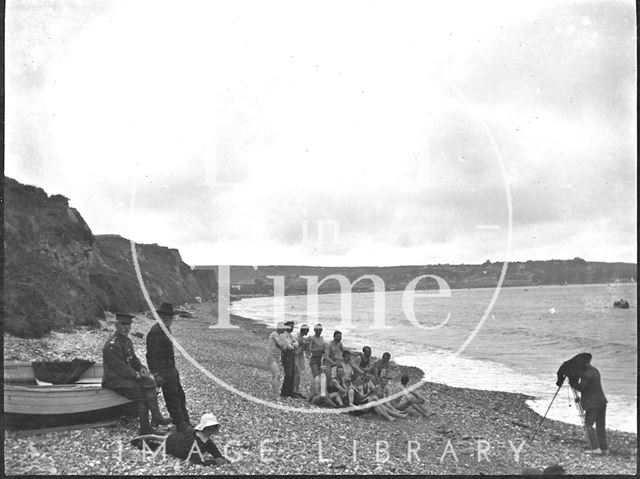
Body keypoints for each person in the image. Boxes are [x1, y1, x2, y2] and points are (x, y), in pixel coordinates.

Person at [102, 313, 172, 435]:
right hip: (114, 380)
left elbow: (133, 360)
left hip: (125, 377)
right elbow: (119, 367)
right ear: (116, 325)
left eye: (128, 325)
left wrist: (141, 368)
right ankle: (145, 428)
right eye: (123, 325)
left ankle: (156, 416)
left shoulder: (127, 341)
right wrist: (135, 374)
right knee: (140, 393)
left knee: (150, 381)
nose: (126, 328)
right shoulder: (112, 345)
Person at [146, 302, 192, 432]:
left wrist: (174, 369)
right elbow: (150, 355)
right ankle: (180, 424)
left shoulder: (165, 329)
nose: (167, 319)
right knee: (172, 398)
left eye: (169, 317)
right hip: (163, 371)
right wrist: (155, 374)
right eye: (164, 316)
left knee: (180, 396)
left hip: (171, 369)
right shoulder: (155, 332)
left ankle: (185, 421)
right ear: (159, 316)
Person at [133, 413, 231, 466]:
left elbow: (213, 449)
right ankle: (142, 442)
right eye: (210, 429)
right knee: (158, 445)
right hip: (176, 446)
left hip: (178, 439)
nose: (212, 431)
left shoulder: (203, 438)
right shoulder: (196, 442)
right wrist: (214, 462)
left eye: (213, 429)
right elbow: (197, 460)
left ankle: (147, 438)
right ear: (204, 428)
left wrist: (219, 457)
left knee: (161, 439)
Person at [569, 354, 608, 455]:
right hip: (602, 401)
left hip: (593, 403)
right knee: (600, 426)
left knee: (588, 426)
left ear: (583, 363)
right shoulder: (594, 370)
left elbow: (582, 388)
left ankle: (595, 449)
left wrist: (573, 383)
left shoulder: (586, 374)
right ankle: (604, 449)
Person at [267, 322, 293, 399]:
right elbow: (281, 345)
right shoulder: (274, 334)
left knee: (276, 376)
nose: (284, 330)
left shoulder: (281, 335)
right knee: (277, 374)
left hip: (277, 357)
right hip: (271, 356)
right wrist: (286, 343)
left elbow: (286, 347)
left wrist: (286, 344)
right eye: (283, 328)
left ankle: (275, 393)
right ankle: (276, 395)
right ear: (279, 328)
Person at [281, 320, 299, 398]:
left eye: (292, 326)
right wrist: (292, 344)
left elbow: (296, 344)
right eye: (290, 326)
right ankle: (285, 391)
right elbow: (289, 346)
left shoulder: (290, 335)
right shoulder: (283, 335)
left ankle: (290, 391)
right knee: (288, 374)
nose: (291, 328)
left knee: (292, 373)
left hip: (291, 355)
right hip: (286, 355)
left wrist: (292, 344)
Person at [293, 323, 310, 398]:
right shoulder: (297, 337)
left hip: (298, 357)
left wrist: (306, 347)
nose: (308, 332)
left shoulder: (302, 338)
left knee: (298, 374)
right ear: (305, 331)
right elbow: (296, 351)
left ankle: (296, 390)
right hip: (294, 357)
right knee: (296, 374)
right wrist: (304, 346)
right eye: (307, 331)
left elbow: (304, 349)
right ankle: (294, 390)